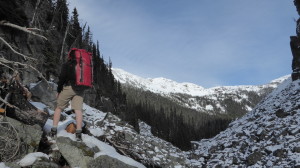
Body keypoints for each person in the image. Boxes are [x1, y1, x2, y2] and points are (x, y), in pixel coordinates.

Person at [49, 50, 85, 141]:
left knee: (58, 108)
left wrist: (59, 90)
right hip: (80, 89)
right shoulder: (83, 65)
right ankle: (78, 134)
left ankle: (53, 131)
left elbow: (62, 78)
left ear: (70, 56)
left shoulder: (67, 64)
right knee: (78, 110)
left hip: (69, 87)